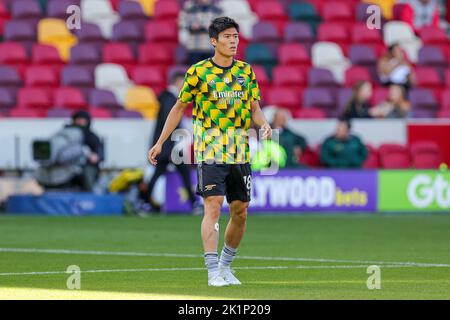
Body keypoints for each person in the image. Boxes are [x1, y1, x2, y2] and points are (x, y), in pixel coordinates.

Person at [147, 17, 272, 287]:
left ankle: (226, 266)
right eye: (227, 37)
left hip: (240, 152)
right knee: (213, 207)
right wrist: (160, 142)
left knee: (240, 211)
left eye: (235, 36)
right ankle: (212, 270)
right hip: (211, 150)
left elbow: (254, 108)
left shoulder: (246, 72)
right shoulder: (199, 72)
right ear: (213, 41)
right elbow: (179, 108)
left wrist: (264, 124)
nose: (233, 41)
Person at [140, 71, 200, 214]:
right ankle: (144, 202)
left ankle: (144, 203)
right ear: (177, 82)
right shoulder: (169, 98)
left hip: (169, 146)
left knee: (177, 173)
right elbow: (170, 121)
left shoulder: (168, 98)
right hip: (168, 147)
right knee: (163, 174)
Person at [67, 110, 104, 191]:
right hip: (66, 164)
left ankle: (89, 197)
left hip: (86, 166)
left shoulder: (93, 137)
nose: (80, 123)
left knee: (88, 171)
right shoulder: (65, 134)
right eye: (78, 120)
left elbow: (99, 155)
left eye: (83, 121)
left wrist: (94, 156)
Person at [179, 0, 223, 65]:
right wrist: (191, 26)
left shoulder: (217, 8)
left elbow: (223, 25)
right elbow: (182, 22)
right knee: (196, 72)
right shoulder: (189, 7)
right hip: (194, 47)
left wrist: (212, 26)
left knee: (210, 73)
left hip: (210, 47)